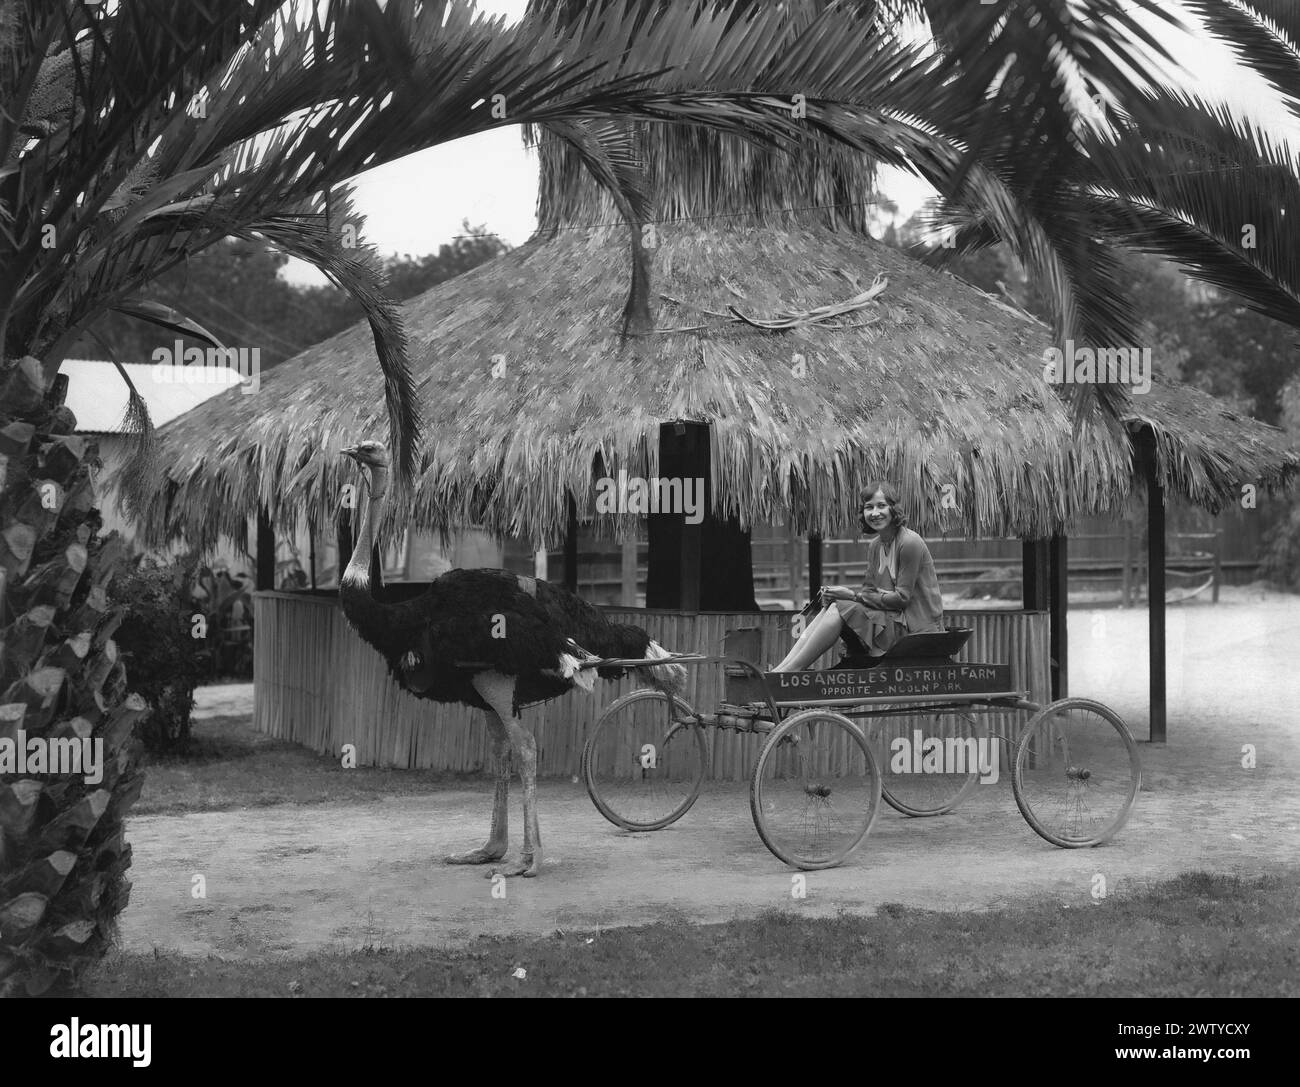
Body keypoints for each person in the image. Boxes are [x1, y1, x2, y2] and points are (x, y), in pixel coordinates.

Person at [772, 481, 944, 671]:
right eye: (869, 507)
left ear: (894, 509)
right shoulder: (875, 546)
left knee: (841, 605)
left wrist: (851, 596)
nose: (875, 513)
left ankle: (791, 669)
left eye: (881, 506)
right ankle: (783, 669)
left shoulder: (909, 543)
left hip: (915, 629)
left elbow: (901, 599)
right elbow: (869, 591)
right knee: (834, 604)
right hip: (890, 618)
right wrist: (840, 596)